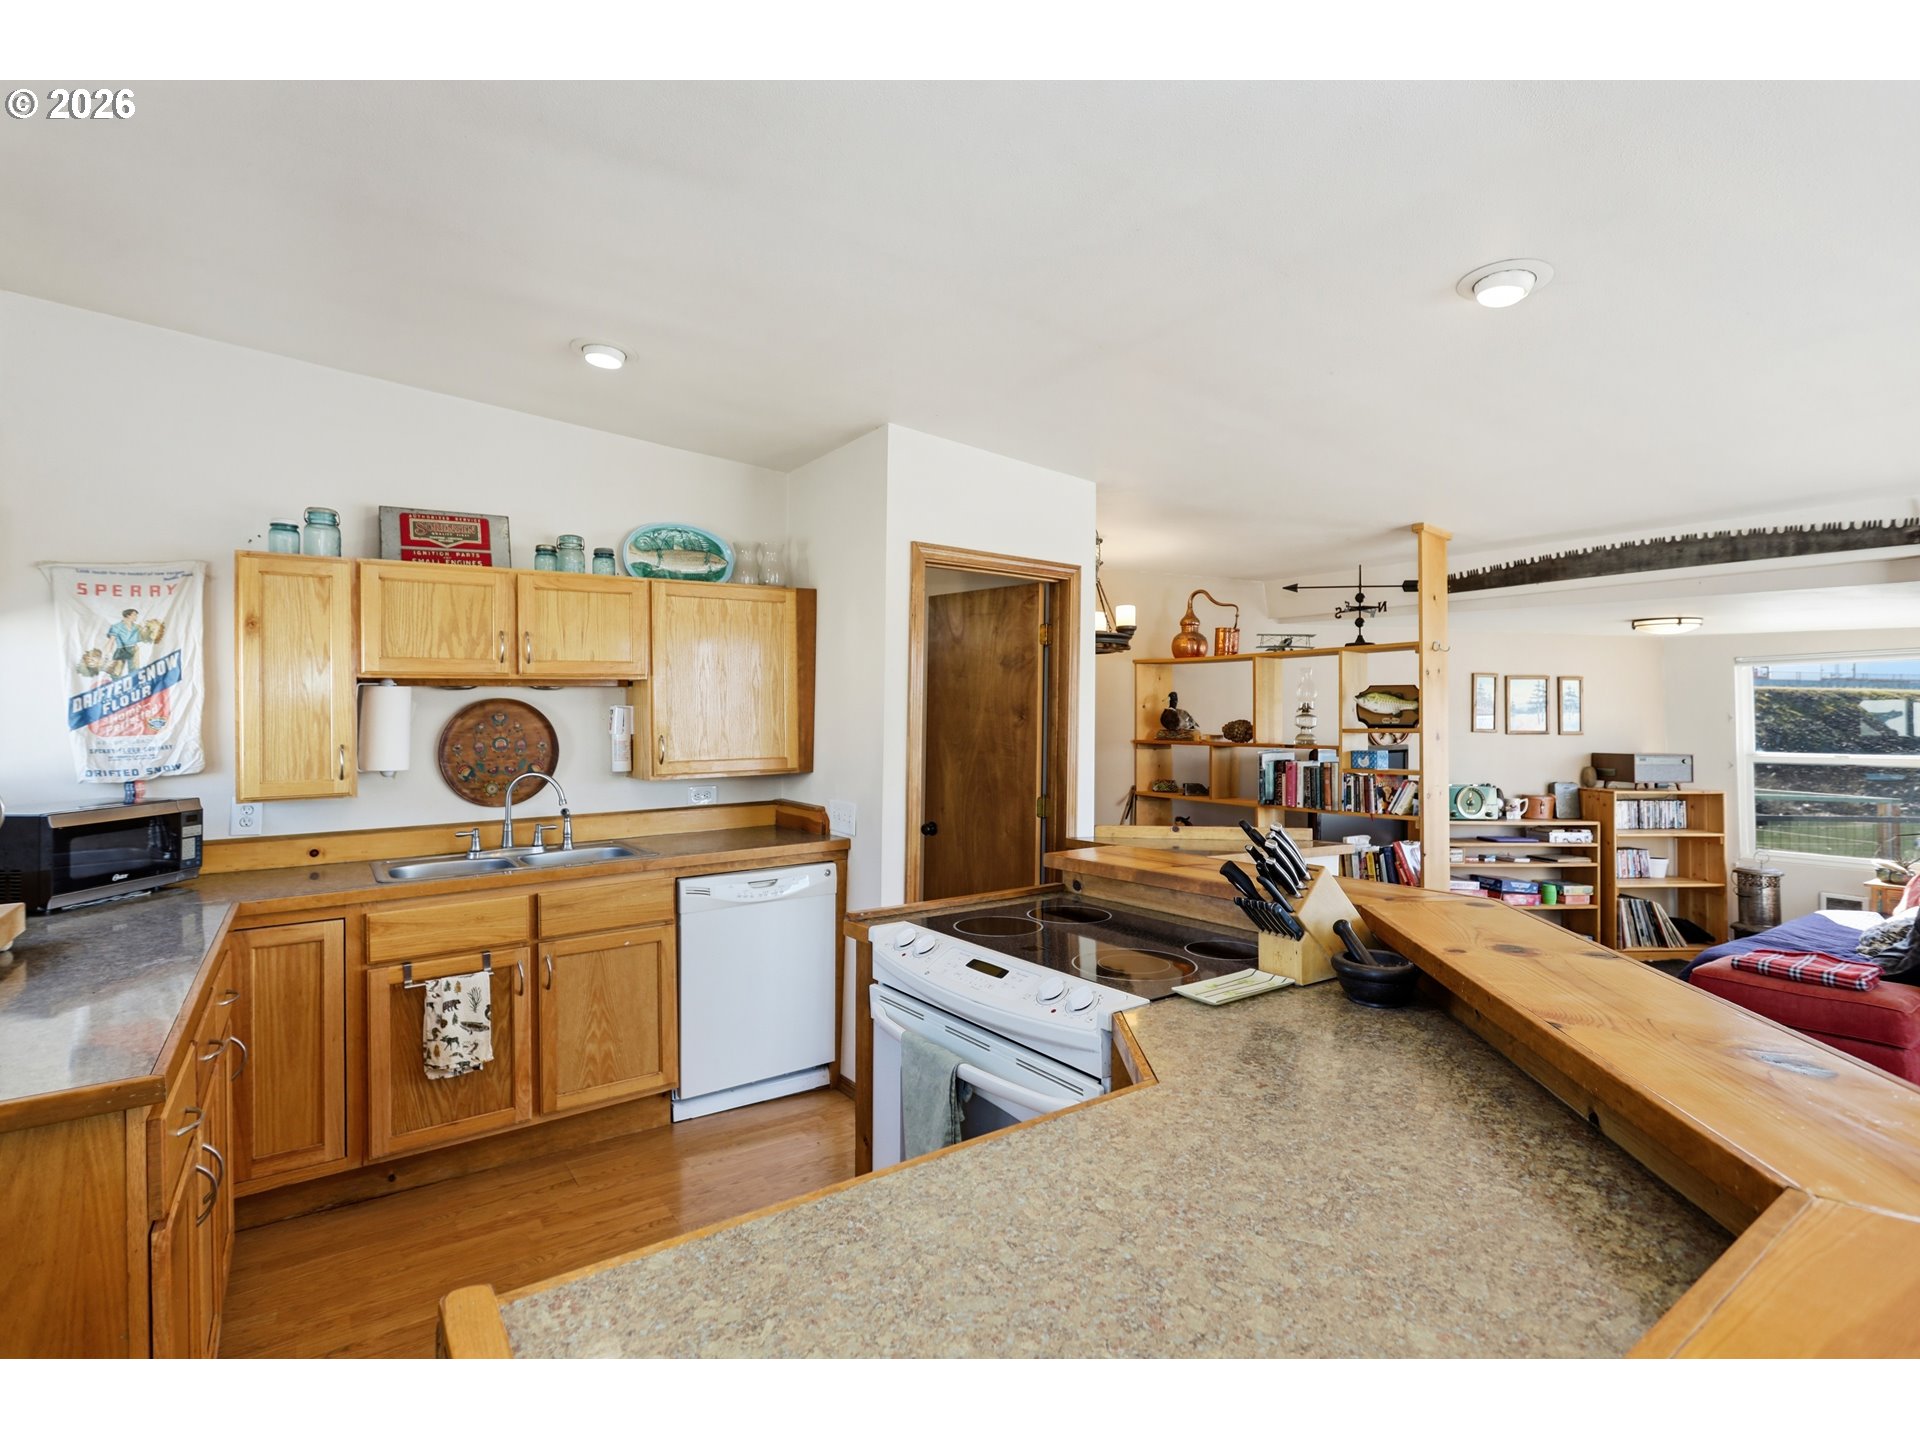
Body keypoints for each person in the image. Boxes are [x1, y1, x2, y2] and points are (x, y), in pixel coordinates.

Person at [105, 608, 143, 678]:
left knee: (134, 670)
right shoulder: (116, 627)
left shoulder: (137, 627)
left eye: (136, 615)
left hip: (133, 649)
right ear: (128, 616)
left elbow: (142, 638)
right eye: (134, 615)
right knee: (116, 671)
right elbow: (111, 640)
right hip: (121, 649)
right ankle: (115, 686)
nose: (136, 617)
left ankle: (133, 686)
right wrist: (108, 654)